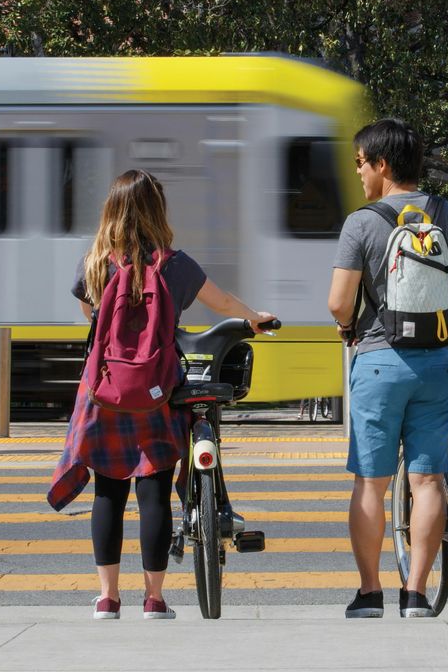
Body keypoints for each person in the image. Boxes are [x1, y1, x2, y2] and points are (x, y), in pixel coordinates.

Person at [47, 169, 275, 621]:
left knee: (108, 494)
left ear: (111, 209)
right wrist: (254, 317)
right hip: (158, 392)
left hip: (105, 393)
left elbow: (89, 316)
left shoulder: (95, 260)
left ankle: (108, 599)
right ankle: (154, 599)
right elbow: (223, 302)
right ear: (157, 211)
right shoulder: (174, 264)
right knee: (153, 493)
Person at [328, 118, 448, 618]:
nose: (361, 175)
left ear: (382, 165)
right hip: (436, 364)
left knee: (372, 482)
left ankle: (370, 593)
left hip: (378, 363)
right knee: (427, 480)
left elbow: (338, 302)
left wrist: (348, 327)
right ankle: (415, 593)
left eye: (362, 164)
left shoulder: (362, 222)